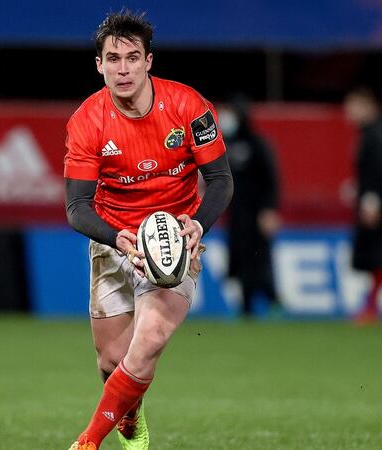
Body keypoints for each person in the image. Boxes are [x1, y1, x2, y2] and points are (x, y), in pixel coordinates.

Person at [63, 11, 233, 450]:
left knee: (150, 340)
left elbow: (221, 180)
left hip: (173, 238)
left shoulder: (188, 106)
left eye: (132, 58)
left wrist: (198, 224)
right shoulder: (87, 121)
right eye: (113, 59)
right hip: (114, 237)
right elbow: (77, 207)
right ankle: (130, 412)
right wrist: (116, 237)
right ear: (98, 65)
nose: (123, 69)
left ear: (148, 61)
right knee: (112, 361)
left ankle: (87, 441)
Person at [220, 95, 282, 317]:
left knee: (259, 259)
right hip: (236, 215)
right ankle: (246, 307)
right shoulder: (223, 145)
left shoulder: (257, 144)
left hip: (257, 214)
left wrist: (270, 209)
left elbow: (271, 179)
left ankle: (273, 300)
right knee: (239, 259)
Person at [344, 87, 382, 324]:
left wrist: (371, 199)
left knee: (376, 254)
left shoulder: (375, 135)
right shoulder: (368, 133)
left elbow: (378, 170)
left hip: (375, 205)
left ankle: (370, 306)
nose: (349, 112)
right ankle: (370, 304)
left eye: (354, 106)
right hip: (370, 200)